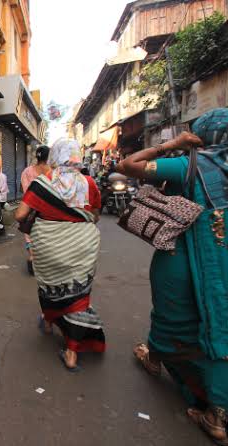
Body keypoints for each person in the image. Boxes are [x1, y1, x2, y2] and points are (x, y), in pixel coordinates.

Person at [117, 108, 228, 445]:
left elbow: (128, 165)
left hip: (188, 258)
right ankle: (217, 409)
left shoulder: (193, 165)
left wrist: (173, 144)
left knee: (175, 314)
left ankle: (213, 410)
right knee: (220, 319)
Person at [15, 138, 105, 371]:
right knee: (78, 294)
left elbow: (19, 215)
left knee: (49, 284)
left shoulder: (42, 183)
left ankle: (47, 322)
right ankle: (72, 352)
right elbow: (95, 215)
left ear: (54, 157)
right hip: (82, 246)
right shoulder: (88, 183)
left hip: (49, 244)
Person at [20, 145, 52, 274]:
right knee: (48, 234)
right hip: (50, 209)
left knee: (29, 233)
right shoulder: (54, 171)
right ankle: (46, 260)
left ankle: (32, 256)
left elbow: (26, 191)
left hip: (31, 208)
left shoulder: (27, 171)